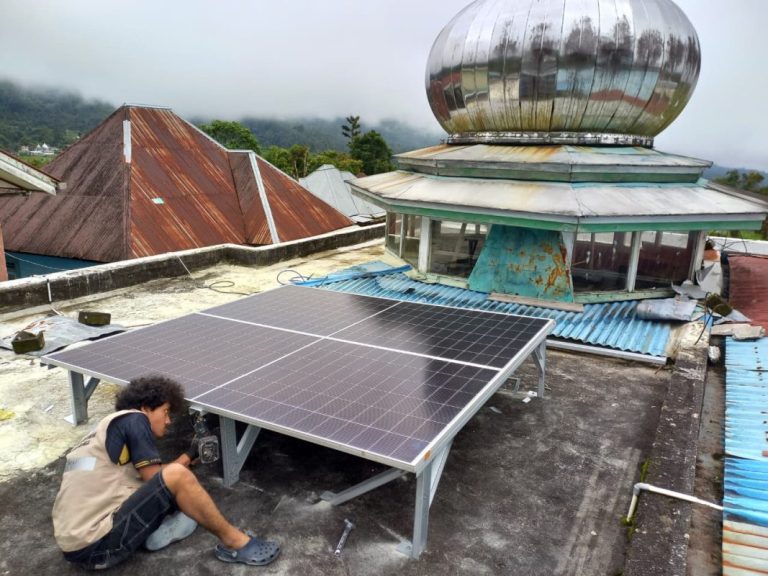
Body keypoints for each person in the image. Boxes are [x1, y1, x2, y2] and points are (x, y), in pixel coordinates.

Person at [52, 375, 280, 569]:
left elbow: (132, 481)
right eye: (166, 411)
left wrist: (189, 456)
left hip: (75, 548)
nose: (169, 420)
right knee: (177, 477)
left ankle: (155, 529)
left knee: (164, 480)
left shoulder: (92, 440)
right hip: (99, 542)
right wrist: (188, 456)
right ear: (145, 408)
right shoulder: (134, 419)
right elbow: (161, 478)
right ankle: (236, 542)